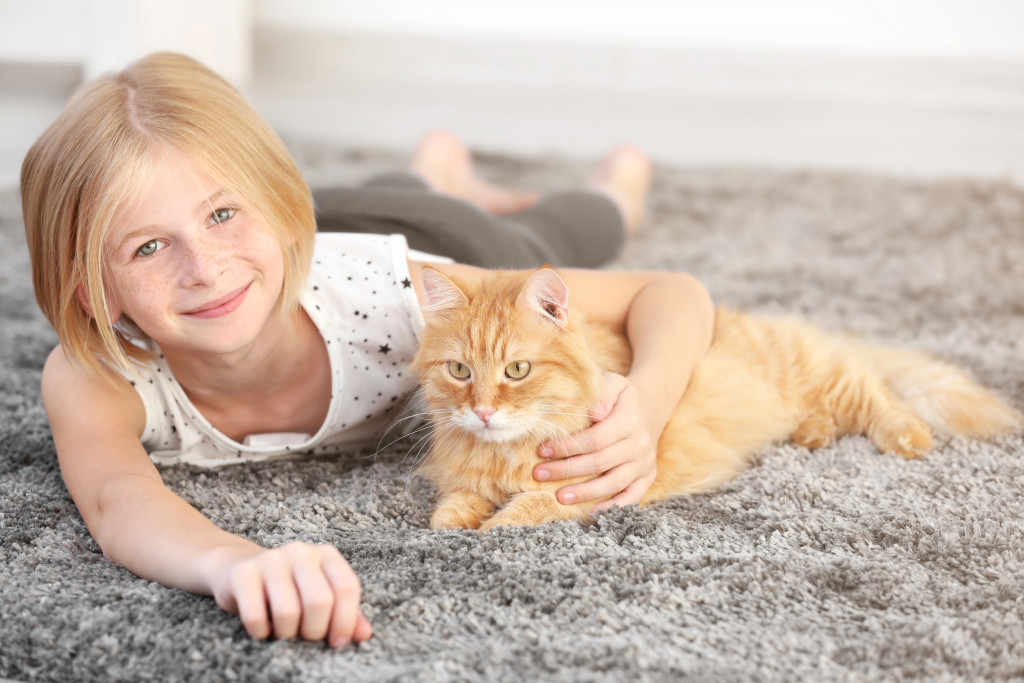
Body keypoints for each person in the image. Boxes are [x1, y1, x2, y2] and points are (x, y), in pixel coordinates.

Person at [20, 53, 714, 649]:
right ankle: (428, 165)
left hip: (443, 259)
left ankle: (613, 187)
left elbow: (670, 291)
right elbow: (116, 499)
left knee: (557, 233)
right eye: (147, 246)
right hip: (323, 229)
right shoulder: (97, 376)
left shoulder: (393, 291)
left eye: (222, 212)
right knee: (381, 195)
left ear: (278, 210)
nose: (203, 268)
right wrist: (230, 562)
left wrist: (646, 405)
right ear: (94, 294)